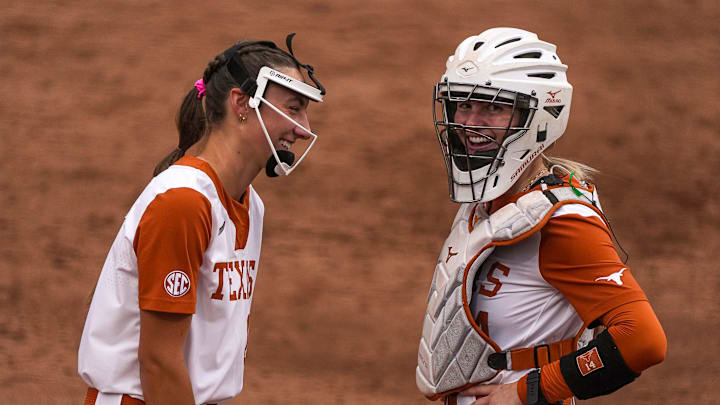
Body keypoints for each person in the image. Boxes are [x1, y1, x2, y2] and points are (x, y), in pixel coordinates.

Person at [415, 28, 666, 405]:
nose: (469, 121)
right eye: (463, 105)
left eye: (493, 107)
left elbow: (643, 340)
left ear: (540, 117)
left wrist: (526, 392)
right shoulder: (487, 206)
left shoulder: (562, 222)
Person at [78, 34, 325, 405]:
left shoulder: (249, 204)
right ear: (242, 102)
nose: (302, 128)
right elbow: (159, 361)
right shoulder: (184, 203)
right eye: (293, 108)